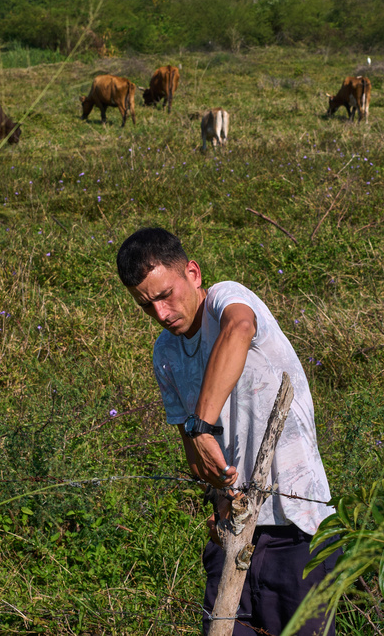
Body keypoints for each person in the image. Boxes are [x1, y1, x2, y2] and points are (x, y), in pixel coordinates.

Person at [116, 227, 339, 636]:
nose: (162, 314)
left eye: (165, 295)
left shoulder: (227, 300)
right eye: (147, 306)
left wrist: (201, 424)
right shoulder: (165, 354)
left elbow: (239, 330)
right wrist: (216, 488)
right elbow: (197, 453)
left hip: (296, 526)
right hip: (233, 532)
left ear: (193, 274)